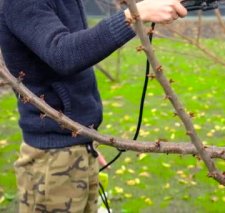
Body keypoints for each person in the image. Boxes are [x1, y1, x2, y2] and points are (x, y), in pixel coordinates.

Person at [0, 0, 187, 212]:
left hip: (79, 145)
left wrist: (85, 140)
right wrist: (135, 13)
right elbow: (62, 53)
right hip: (52, 159)